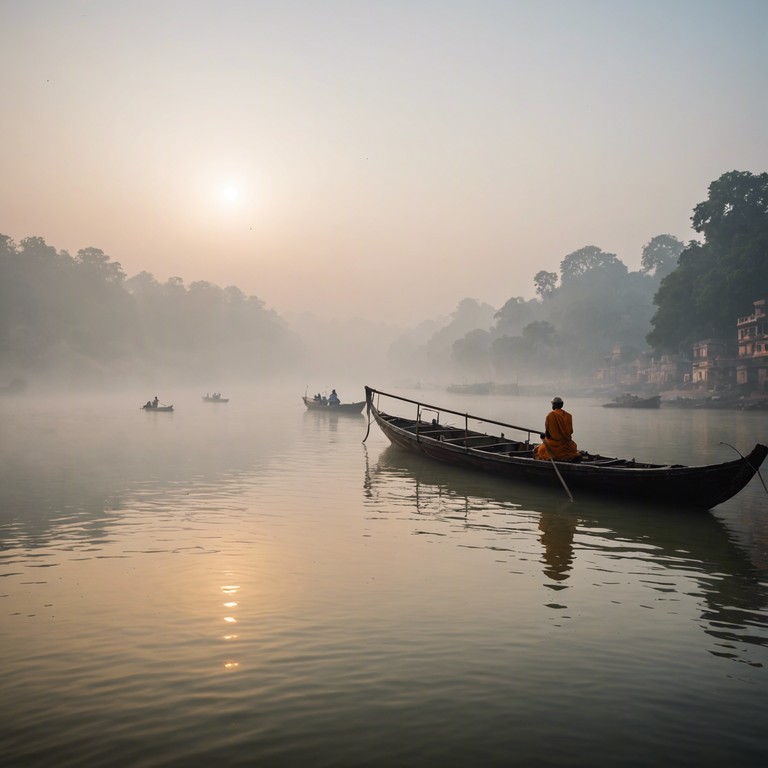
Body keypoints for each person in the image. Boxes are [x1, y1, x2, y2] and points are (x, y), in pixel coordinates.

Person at [533, 396, 579, 461]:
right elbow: (571, 431)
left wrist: (543, 436)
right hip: (568, 445)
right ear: (562, 405)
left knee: (540, 450)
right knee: (574, 447)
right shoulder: (569, 416)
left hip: (554, 446)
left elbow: (548, 434)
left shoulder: (550, 415)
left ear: (553, 405)